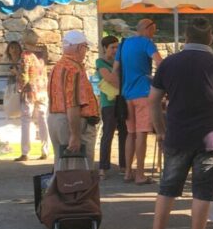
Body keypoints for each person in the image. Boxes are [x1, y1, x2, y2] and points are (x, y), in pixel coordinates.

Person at [136, 17, 213, 229]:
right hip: (211, 139)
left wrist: (160, 131)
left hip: (177, 135)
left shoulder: (169, 63)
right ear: (211, 39)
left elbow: (152, 101)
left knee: (167, 189)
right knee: (202, 192)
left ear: (185, 38)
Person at [114, 18, 163, 185]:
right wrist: (154, 78)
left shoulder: (123, 44)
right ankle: (140, 174)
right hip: (143, 92)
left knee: (130, 133)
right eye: (154, 29)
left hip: (127, 95)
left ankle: (128, 172)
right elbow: (160, 63)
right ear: (147, 29)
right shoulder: (147, 43)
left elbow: (115, 69)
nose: (154, 33)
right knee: (142, 133)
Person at [47, 30, 101, 165]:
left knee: (62, 168)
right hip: (71, 122)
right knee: (77, 170)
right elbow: (73, 104)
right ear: (78, 47)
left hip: (55, 119)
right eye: (85, 47)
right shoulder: (74, 69)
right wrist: (75, 136)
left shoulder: (57, 66)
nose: (85, 51)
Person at [12, 32, 50, 162]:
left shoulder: (25, 55)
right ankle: (45, 150)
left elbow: (24, 75)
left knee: (26, 120)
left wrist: (18, 83)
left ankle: (25, 152)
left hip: (29, 91)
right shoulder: (43, 53)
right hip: (43, 89)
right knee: (43, 119)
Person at [96, 35, 127, 179]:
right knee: (107, 134)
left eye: (117, 47)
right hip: (108, 103)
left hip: (122, 101)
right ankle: (103, 167)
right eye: (112, 47)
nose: (115, 50)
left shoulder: (121, 61)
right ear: (104, 48)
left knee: (124, 134)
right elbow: (110, 79)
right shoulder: (100, 62)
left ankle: (123, 165)